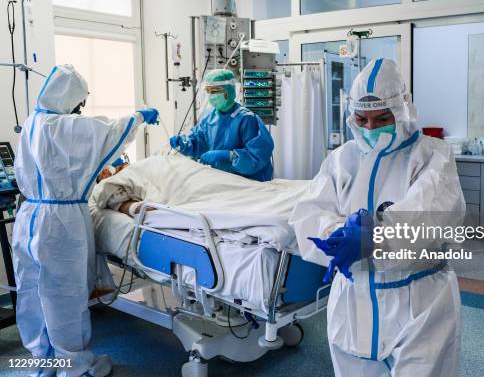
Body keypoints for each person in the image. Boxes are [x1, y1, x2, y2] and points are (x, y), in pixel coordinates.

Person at [289, 58, 465, 376]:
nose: (370, 128)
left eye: (382, 118)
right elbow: (309, 212)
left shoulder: (432, 155)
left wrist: (374, 234)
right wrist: (338, 235)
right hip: (351, 302)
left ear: (402, 112)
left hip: (419, 304)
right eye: (361, 119)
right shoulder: (341, 159)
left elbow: (430, 216)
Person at [12, 64, 159, 377]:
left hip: (30, 217)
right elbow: (106, 131)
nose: (80, 110)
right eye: (78, 103)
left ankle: (44, 359)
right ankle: (74, 363)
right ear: (69, 99)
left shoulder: (33, 122)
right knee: (65, 292)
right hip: (62, 223)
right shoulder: (64, 126)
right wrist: (140, 117)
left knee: (33, 290)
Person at [169, 69, 274, 181]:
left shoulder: (246, 119)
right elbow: (198, 143)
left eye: (215, 91)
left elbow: (257, 157)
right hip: (220, 181)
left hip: (248, 183)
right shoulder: (209, 118)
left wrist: (229, 156)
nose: (211, 96)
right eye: (208, 91)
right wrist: (183, 144)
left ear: (228, 91)